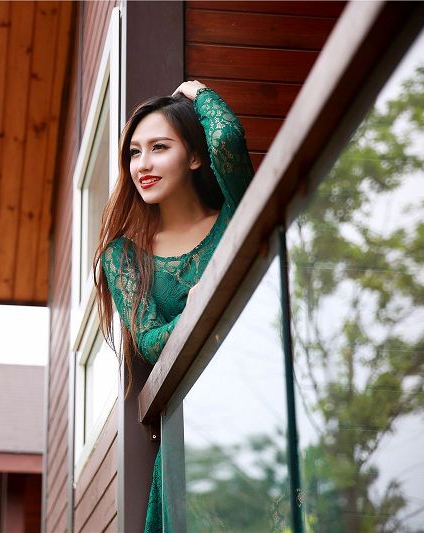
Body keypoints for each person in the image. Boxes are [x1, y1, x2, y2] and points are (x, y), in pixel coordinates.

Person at [92, 80, 254, 531]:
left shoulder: (235, 216)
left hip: (259, 409)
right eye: (134, 152)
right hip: (191, 431)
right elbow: (146, 340)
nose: (142, 165)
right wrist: (197, 309)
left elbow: (226, 140)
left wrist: (198, 92)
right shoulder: (123, 256)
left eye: (159, 147)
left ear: (195, 156)